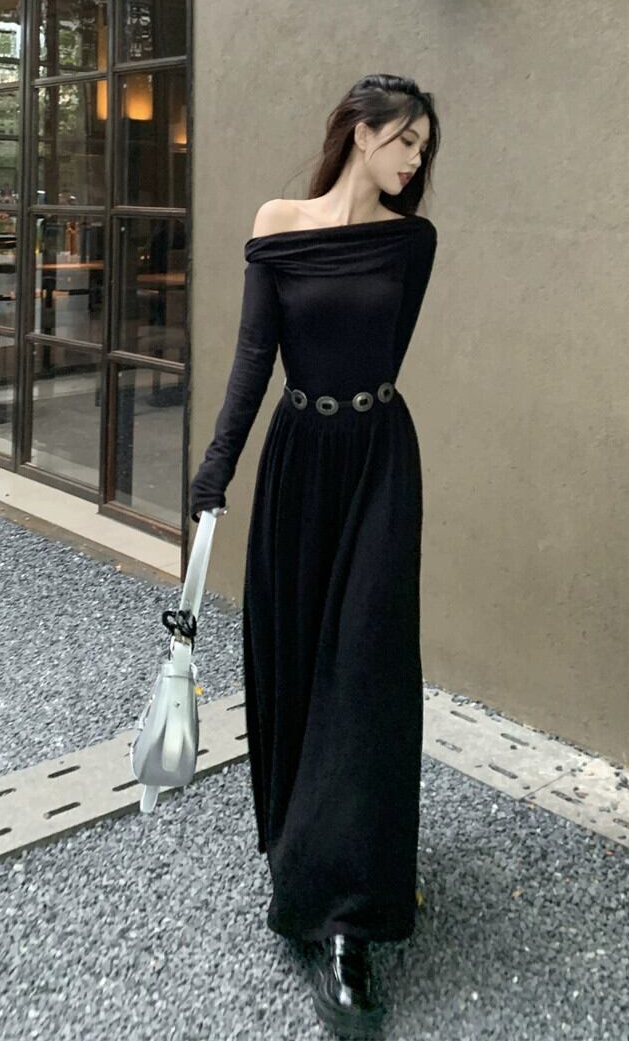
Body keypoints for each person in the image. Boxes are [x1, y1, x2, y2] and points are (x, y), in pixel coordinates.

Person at [189, 73, 439, 1038]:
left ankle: (348, 924)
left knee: (367, 672)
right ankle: (304, 854)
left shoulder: (412, 242)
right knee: (296, 661)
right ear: (361, 132)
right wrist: (216, 471)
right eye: (407, 139)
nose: (416, 159)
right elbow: (256, 356)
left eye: (424, 147)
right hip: (299, 464)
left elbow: (389, 355)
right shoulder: (279, 224)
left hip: (378, 463)